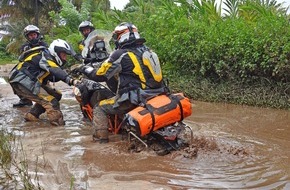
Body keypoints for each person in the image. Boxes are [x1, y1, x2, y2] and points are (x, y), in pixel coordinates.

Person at [79, 22, 168, 143]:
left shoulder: (120, 54)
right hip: (159, 95)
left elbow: (100, 75)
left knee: (99, 108)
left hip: (134, 99)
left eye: (117, 37)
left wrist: (84, 68)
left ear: (121, 37)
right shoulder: (150, 52)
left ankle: (101, 143)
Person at [9, 39, 80, 126]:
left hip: (29, 81)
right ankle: (58, 127)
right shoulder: (46, 57)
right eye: (64, 55)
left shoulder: (46, 57)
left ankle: (32, 116)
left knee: (56, 95)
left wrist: (72, 75)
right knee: (51, 102)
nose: (65, 58)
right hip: (22, 81)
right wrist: (72, 81)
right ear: (56, 52)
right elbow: (56, 71)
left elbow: (55, 75)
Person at [12, 25, 48, 108]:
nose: (33, 37)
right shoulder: (24, 47)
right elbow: (21, 59)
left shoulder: (44, 45)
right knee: (15, 77)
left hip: (42, 68)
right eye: (31, 35)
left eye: (34, 35)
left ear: (37, 35)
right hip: (29, 70)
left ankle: (45, 100)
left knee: (45, 88)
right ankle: (25, 100)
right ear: (27, 37)